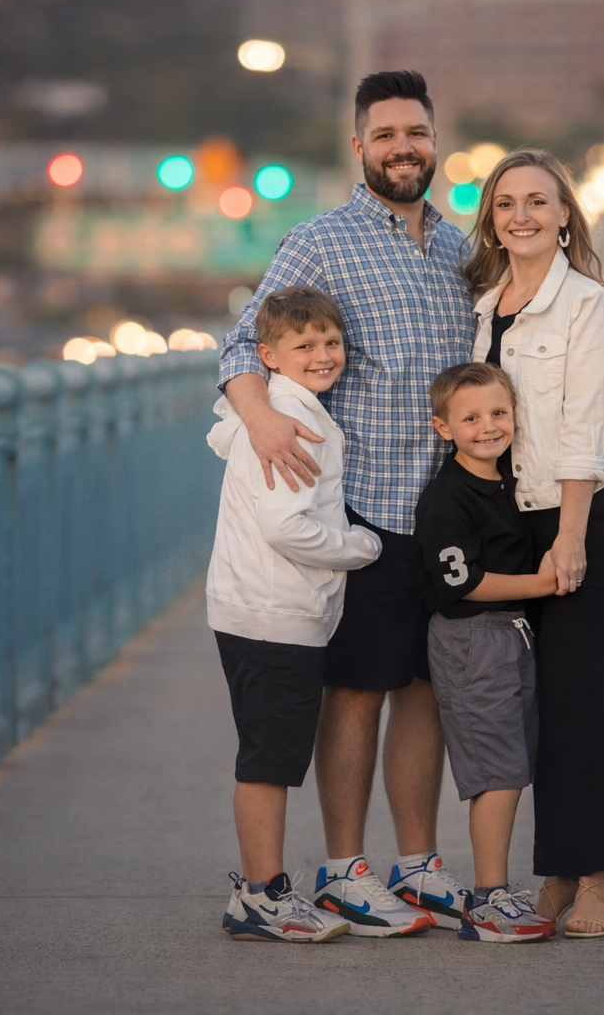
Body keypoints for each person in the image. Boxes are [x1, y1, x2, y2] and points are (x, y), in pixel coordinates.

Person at [217, 70, 473, 936]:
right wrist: (260, 421)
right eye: (387, 134)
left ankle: (417, 863)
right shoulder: (319, 241)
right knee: (358, 690)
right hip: (360, 506)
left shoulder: (459, 249)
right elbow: (240, 344)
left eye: (418, 132)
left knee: (427, 689)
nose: (405, 147)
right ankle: (342, 869)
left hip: (446, 510)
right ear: (359, 146)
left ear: (434, 143)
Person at [465, 150, 604, 939]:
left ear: (567, 214)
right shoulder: (482, 302)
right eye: (506, 204)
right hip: (512, 520)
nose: (522, 215)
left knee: (581, 696)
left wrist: (570, 538)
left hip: (587, 514)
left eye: (539, 201)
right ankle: (559, 869)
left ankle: (598, 875)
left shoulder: (585, 304)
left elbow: (586, 428)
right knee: (537, 703)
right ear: (492, 219)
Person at [208, 287, 383, 943]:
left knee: (270, 750)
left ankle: (265, 889)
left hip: (259, 606)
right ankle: (260, 895)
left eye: (331, 342)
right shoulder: (291, 420)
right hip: (271, 611)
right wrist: (358, 549)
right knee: (269, 756)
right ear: (267, 355)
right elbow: (287, 526)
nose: (322, 355)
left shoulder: (279, 409)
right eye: (303, 345)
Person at [412, 362, 560, 943]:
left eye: (499, 412)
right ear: (442, 428)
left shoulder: (508, 480)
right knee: (497, 768)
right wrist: (543, 584)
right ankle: (487, 902)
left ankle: (493, 891)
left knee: (511, 765)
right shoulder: (448, 497)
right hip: (473, 638)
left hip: (507, 634)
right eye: (470, 418)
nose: (488, 426)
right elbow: (462, 582)